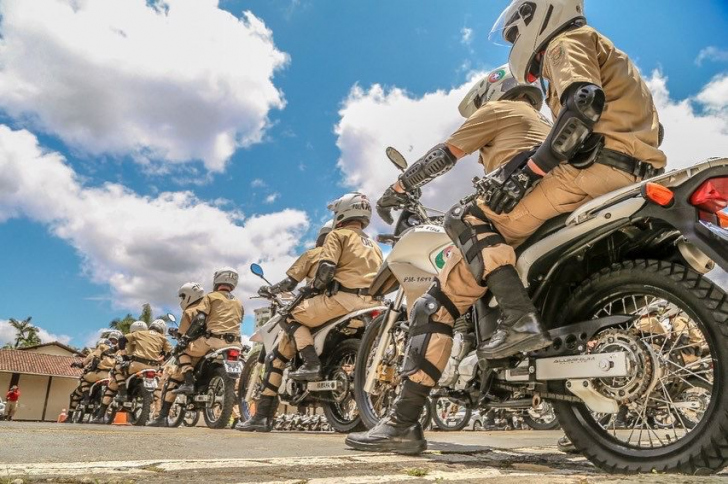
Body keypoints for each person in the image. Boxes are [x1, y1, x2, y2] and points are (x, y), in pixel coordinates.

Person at [348, 0, 666, 455]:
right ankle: (583, 418)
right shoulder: (563, 96)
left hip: (587, 174)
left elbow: (578, 105)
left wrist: (400, 186)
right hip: (626, 174)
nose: (517, 44)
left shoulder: (548, 61)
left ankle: (405, 419)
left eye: (515, 35)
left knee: (455, 246)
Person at [346, 66, 550, 453]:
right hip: (553, 210)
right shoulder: (542, 121)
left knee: (431, 306)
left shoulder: (499, 110)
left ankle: (403, 423)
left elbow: (443, 155)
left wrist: (399, 187)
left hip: (517, 209)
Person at [237, 194, 383, 432]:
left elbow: (324, 271)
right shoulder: (374, 246)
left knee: (289, 317)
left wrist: (311, 287)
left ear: (342, 213)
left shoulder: (338, 235)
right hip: (370, 304)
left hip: (340, 301)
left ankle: (268, 410)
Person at [172, 269, 244, 396]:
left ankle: (189, 383)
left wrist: (185, 339)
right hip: (235, 343)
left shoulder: (210, 297)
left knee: (181, 351)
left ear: (217, 280)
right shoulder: (239, 302)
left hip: (214, 341)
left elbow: (200, 319)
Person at [147, 283, 206, 427]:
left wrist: (177, 335)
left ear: (189, 295)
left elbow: (183, 335)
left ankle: (162, 416)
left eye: (183, 296)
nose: (182, 300)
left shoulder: (190, 311)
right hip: (215, 347)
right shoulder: (209, 308)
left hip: (197, 350)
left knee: (173, 380)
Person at [91, 320, 171, 423]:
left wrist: (123, 355)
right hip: (154, 367)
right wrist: (162, 360)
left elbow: (121, 340)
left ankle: (103, 412)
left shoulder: (138, 334)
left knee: (115, 373)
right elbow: (170, 351)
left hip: (136, 365)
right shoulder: (162, 338)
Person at [66, 331, 121, 422]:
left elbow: (87, 362)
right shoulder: (120, 350)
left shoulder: (102, 347)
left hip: (99, 374)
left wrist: (80, 364)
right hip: (112, 376)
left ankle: (84, 400)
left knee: (83, 380)